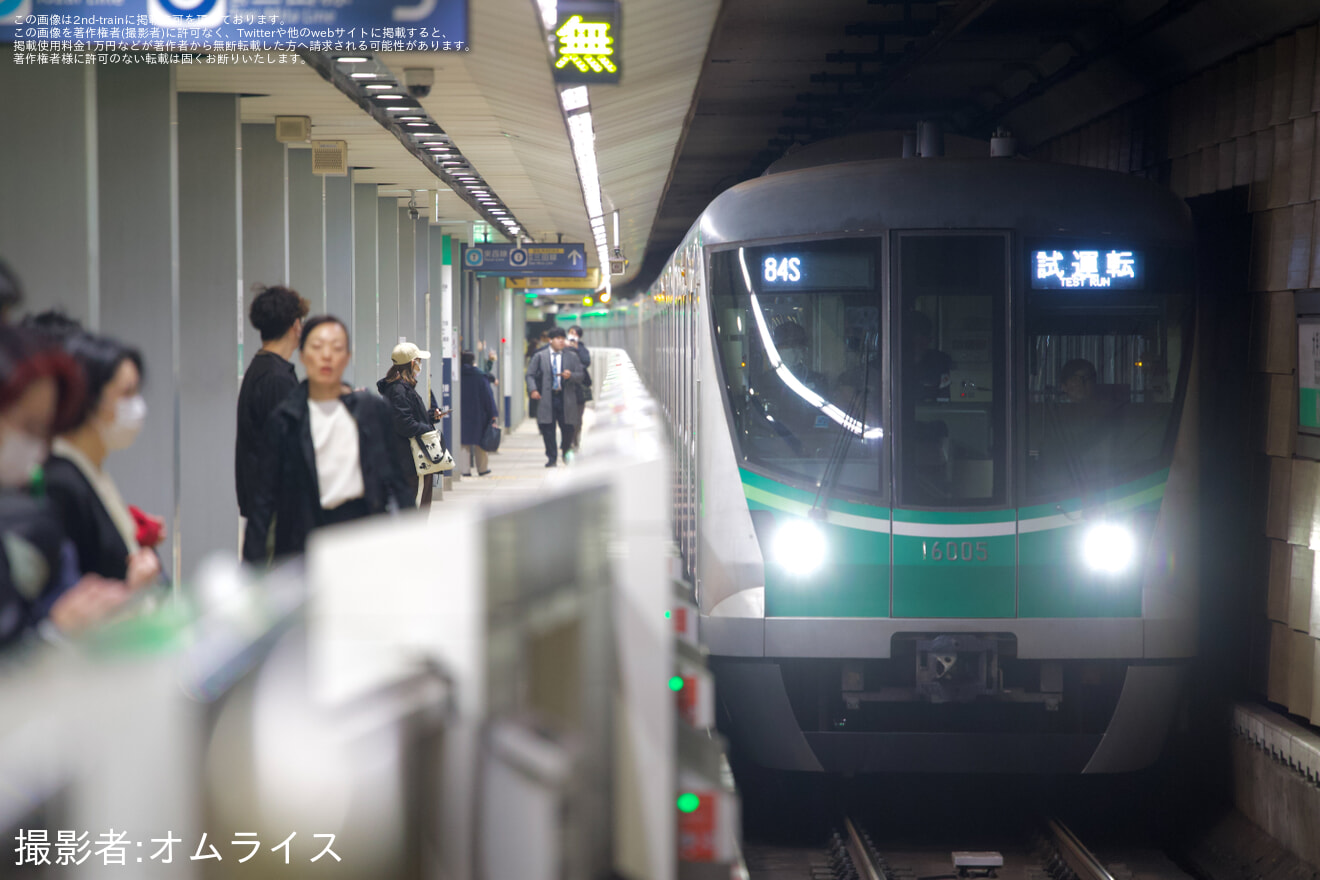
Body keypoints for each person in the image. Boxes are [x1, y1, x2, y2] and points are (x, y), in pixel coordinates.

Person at [243, 316, 411, 564]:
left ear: (347, 357)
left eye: (336, 348)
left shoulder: (371, 411)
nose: (327, 356)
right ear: (302, 355)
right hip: (304, 540)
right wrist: (253, 571)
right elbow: (264, 500)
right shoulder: (285, 419)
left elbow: (397, 481)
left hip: (363, 534)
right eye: (317, 347)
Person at [44, 331, 164, 587]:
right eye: (127, 393)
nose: (137, 407)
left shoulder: (93, 471)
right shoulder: (62, 481)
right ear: (87, 398)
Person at [236, 285, 309, 555]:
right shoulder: (276, 380)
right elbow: (289, 448)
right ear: (295, 326)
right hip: (277, 511)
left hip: (266, 505)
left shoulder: (262, 369)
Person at [377, 341, 443, 508]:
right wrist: (428, 429)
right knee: (418, 505)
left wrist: (430, 417)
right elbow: (404, 424)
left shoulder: (400, 388)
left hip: (409, 459)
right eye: (419, 361)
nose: (420, 365)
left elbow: (407, 416)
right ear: (413, 363)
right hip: (411, 460)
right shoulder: (399, 390)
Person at [526, 327, 584, 468]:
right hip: (547, 398)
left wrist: (571, 376)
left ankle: (565, 451)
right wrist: (533, 389)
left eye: (562, 339)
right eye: (558, 339)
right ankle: (551, 458)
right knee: (548, 429)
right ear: (550, 340)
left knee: (568, 428)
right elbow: (530, 375)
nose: (561, 341)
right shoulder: (540, 356)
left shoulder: (572, 356)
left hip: (565, 398)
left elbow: (581, 375)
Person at [460, 350, 499, 476]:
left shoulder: (456, 375)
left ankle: (464, 470)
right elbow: (488, 396)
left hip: (462, 413)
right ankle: (482, 469)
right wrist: (493, 413)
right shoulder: (480, 375)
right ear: (473, 361)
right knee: (481, 441)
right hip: (479, 413)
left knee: (464, 442)